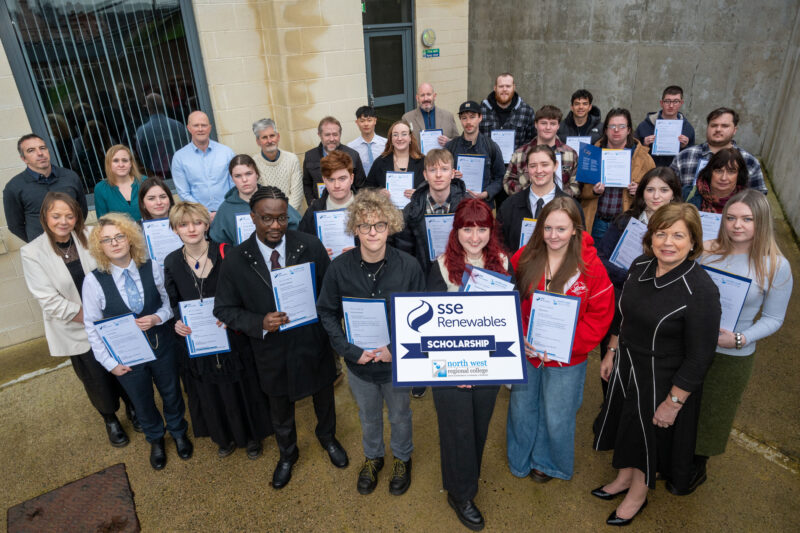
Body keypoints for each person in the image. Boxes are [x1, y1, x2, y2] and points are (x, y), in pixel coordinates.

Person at [593, 204, 720, 526]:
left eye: (678, 235)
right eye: (661, 233)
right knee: (626, 426)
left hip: (662, 378)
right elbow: (625, 316)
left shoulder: (701, 290)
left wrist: (674, 402)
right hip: (627, 365)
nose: (668, 242)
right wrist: (611, 350)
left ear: (693, 242)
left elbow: (700, 356)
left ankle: (637, 494)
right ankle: (623, 478)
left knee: (648, 436)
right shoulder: (641, 265)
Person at [214, 186, 347, 490]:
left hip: (312, 342)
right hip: (270, 349)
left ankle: (328, 438)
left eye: (282, 219)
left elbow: (331, 293)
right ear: (253, 218)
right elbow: (223, 308)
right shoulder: (236, 259)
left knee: (324, 397)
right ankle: (288, 453)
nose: (275, 226)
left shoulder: (310, 246)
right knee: (280, 408)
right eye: (267, 219)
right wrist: (258, 322)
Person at [317, 189, 424, 496]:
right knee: (368, 414)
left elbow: (422, 315)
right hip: (359, 364)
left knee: (401, 414)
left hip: (397, 364)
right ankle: (374, 457)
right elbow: (326, 310)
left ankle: (403, 458)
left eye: (379, 225)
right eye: (364, 225)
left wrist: (399, 349)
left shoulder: (409, 267)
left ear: (390, 227)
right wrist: (349, 351)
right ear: (355, 229)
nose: (372, 232)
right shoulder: (339, 269)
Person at [508, 198, 614, 486]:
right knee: (521, 407)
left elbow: (601, 315)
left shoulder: (591, 267)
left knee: (558, 414)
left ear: (576, 230)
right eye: (548, 228)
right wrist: (518, 335)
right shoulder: (524, 257)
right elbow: (509, 303)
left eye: (562, 229)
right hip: (528, 352)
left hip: (569, 358)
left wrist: (570, 344)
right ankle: (520, 457)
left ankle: (548, 462)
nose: (553, 235)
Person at [21, 192, 139, 448]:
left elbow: (114, 265)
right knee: (96, 378)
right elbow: (48, 299)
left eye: (69, 215)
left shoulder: (91, 234)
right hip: (75, 326)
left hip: (112, 319)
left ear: (77, 216)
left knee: (123, 367)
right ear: (45, 217)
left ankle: (133, 406)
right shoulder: (32, 252)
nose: (63, 221)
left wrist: (110, 316)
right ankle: (110, 419)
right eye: (56, 216)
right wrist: (92, 320)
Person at [426, 198, 512, 531]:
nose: (474, 237)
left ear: (491, 230)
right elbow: (430, 326)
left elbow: (507, 317)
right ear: (456, 230)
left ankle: (466, 476)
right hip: (451, 367)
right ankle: (461, 494)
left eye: (481, 229)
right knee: (456, 428)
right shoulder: (441, 266)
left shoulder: (503, 263)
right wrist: (455, 366)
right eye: (467, 229)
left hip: (488, 366)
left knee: (478, 425)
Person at [695, 190, 792, 484]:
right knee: (680, 407)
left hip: (731, 356)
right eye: (732, 218)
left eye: (747, 219)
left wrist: (739, 339)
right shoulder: (705, 249)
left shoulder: (776, 265)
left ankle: (696, 468)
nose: (738, 225)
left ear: (761, 222)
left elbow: (774, 319)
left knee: (713, 415)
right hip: (690, 347)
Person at [82, 213, 192, 470]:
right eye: (107, 240)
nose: (115, 243)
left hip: (161, 344)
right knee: (141, 399)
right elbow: (91, 327)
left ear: (130, 239)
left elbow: (167, 303)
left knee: (171, 392)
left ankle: (178, 432)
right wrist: (110, 364)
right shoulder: (93, 281)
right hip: (126, 356)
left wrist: (156, 317)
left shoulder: (152, 267)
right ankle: (155, 439)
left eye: (120, 236)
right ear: (100, 246)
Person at [164, 201, 273, 459]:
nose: (191, 229)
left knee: (242, 386)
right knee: (210, 390)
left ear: (206, 224)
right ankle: (224, 436)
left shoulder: (227, 253)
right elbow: (173, 302)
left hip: (231, 334)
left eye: (197, 223)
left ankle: (252, 436)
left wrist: (233, 315)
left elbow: (248, 293)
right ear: (175, 229)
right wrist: (177, 322)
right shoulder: (171, 262)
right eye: (183, 224)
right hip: (200, 339)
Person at [595, 168, 683, 395]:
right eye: (650, 189)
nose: (656, 196)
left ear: (673, 194)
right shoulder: (625, 220)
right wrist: (631, 278)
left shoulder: (682, 230)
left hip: (657, 309)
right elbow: (601, 257)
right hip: (619, 301)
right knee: (610, 363)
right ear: (641, 192)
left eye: (664, 190)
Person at [580, 108, 656, 240]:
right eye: (612, 126)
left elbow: (656, 193)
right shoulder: (591, 153)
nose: (616, 130)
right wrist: (594, 191)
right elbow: (579, 192)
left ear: (628, 130)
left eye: (621, 126)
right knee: (595, 259)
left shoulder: (644, 159)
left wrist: (640, 191)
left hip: (626, 223)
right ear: (605, 130)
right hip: (597, 221)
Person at [498, 145, 584, 253]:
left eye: (545, 165)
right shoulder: (509, 206)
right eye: (533, 166)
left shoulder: (573, 207)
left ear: (555, 166)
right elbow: (499, 246)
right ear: (527, 168)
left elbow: (580, 246)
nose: (539, 170)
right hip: (517, 268)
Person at [4, 134, 88, 243]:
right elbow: (15, 225)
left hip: (75, 242)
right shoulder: (14, 187)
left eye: (42, 148)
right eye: (31, 150)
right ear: (24, 159)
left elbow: (82, 211)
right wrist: (38, 242)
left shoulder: (70, 177)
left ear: (48, 151)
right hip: (42, 249)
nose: (40, 153)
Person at [670, 107, 766, 194]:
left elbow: (759, 199)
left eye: (724, 126)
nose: (718, 129)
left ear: (735, 130)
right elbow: (668, 190)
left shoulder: (749, 161)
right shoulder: (684, 157)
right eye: (714, 125)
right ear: (708, 127)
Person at [209, 155, 300, 245]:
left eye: (248, 173)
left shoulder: (273, 199)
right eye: (238, 176)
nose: (244, 180)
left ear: (257, 174)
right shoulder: (226, 209)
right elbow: (219, 242)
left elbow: (296, 224)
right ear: (232, 179)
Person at [504, 105, 579, 197]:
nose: (548, 127)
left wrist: (554, 196)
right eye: (543, 123)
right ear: (536, 124)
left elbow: (576, 186)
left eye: (553, 124)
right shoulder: (520, 153)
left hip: (560, 207)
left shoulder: (571, 154)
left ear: (558, 126)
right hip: (526, 206)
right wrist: (530, 194)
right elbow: (508, 182)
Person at [170, 111, 235, 217]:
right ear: (189, 128)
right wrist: (205, 213)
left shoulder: (227, 153)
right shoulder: (179, 158)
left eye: (204, 125)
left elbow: (234, 186)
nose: (200, 129)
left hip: (227, 213)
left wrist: (223, 210)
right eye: (196, 125)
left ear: (209, 128)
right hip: (197, 216)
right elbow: (184, 193)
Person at [445, 101, 505, 207]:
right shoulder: (450, 147)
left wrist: (486, 193)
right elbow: (441, 175)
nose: (468, 122)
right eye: (464, 118)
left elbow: (500, 177)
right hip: (457, 206)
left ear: (480, 118)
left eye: (472, 117)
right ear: (460, 120)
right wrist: (451, 175)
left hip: (483, 206)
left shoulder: (491, 146)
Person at [302, 116, 367, 204]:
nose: (332, 139)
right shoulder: (310, 156)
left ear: (340, 134)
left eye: (335, 134)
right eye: (327, 135)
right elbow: (307, 183)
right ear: (319, 135)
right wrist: (311, 202)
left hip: (349, 206)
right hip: (321, 208)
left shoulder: (353, 155)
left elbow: (361, 186)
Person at [298, 150, 357, 239]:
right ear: (324, 180)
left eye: (342, 179)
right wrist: (318, 250)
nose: (337, 185)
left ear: (351, 178)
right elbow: (301, 241)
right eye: (331, 180)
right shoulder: (313, 210)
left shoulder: (368, 208)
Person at [634, 85, 695, 167]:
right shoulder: (645, 126)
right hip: (649, 172)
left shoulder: (687, 128)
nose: (671, 106)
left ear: (681, 103)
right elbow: (634, 153)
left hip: (674, 174)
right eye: (667, 101)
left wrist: (684, 147)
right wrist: (644, 145)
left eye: (676, 101)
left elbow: (691, 158)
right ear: (661, 103)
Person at [251, 118, 304, 211]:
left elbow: (297, 194)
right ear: (258, 141)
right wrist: (272, 217)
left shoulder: (292, 159)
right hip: (267, 218)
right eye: (264, 137)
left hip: (292, 216)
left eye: (272, 136)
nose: (269, 140)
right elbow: (257, 197)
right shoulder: (253, 163)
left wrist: (284, 216)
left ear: (278, 137)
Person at [135, 93, 188, 179]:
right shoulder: (178, 125)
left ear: (147, 108)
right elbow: (186, 147)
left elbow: (143, 157)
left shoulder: (142, 131)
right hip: (180, 170)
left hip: (158, 174)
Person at [365, 120, 425, 194]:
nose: (399, 138)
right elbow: (367, 189)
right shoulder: (380, 162)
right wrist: (378, 193)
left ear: (410, 138)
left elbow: (432, 188)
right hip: (387, 205)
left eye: (404, 134)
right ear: (391, 140)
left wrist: (419, 194)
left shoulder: (423, 161)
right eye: (395, 135)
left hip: (416, 205)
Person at [479, 72, 536, 149]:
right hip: (488, 160)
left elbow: (532, 141)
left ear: (514, 87)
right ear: (495, 88)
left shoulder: (527, 111)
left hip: (516, 160)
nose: (504, 89)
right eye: (501, 86)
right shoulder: (481, 110)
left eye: (508, 86)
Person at [683, 148, 748, 213]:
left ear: (739, 175)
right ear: (710, 172)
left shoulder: (749, 201)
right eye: (719, 171)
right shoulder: (686, 194)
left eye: (731, 172)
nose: (723, 178)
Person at [402, 83, 459, 148]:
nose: (426, 99)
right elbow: (403, 143)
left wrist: (449, 142)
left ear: (434, 96)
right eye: (422, 95)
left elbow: (458, 141)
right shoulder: (407, 118)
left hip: (442, 157)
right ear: (417, 98)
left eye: (428, 94)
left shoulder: (448, 116)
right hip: (419, 157)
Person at [94, 145, 143, 220]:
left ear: (131, 164)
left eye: (125, 160)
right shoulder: (100, 189)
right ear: (109, 164)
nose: (121, 165)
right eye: (116, 161)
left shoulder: (144, 182)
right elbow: (102, 221)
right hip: (119, 231)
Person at [347, 106, 387, 176]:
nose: (366, 124)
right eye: (362, 121)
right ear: (357, 122)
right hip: (362, 185)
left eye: (369, 120)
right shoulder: (351, 147)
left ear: (375, 121)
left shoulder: (386, 143)